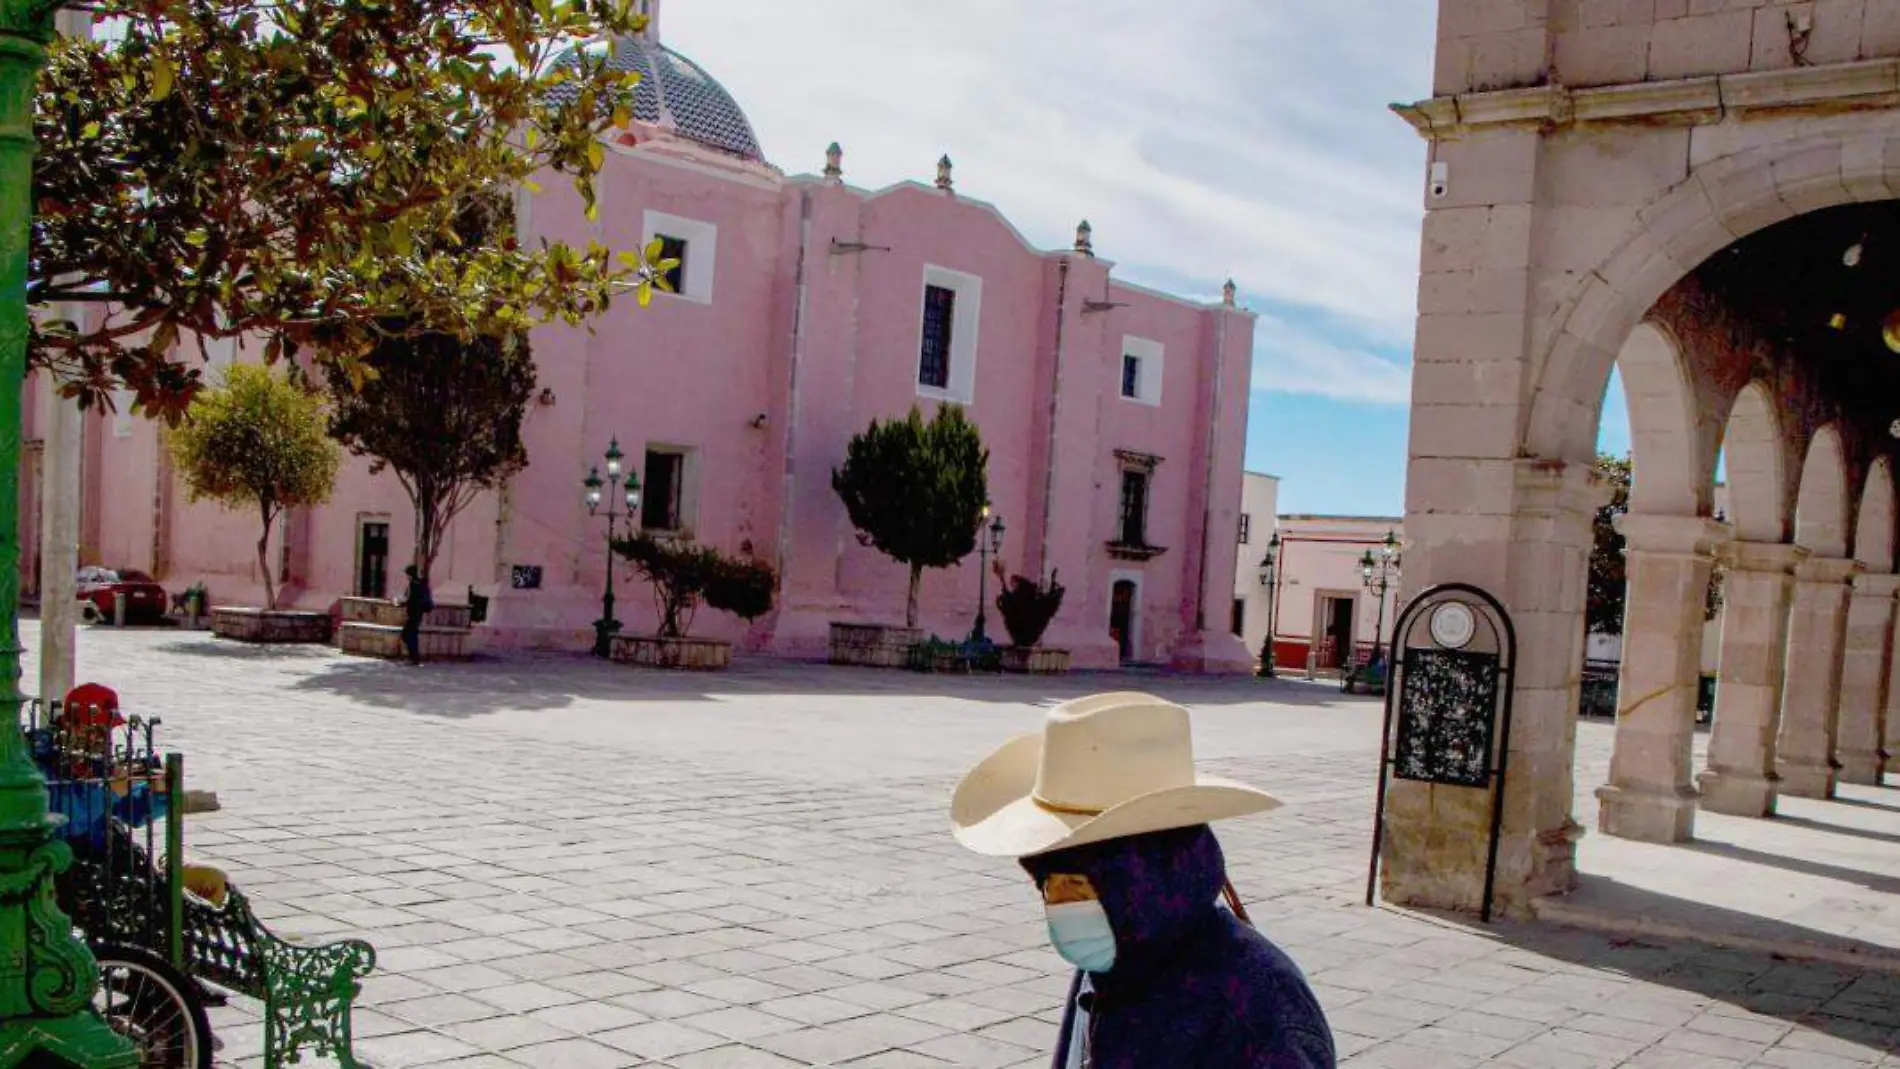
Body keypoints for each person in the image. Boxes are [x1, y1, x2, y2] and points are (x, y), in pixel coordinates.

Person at [951, 692, 1335, 1068]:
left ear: (1148, 875)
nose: (1059, 908)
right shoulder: (1117, 954)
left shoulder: (1259, 1011)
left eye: (1079, 886)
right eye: (1049, 886)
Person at [399, 565, 433, 666]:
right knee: (410, 634)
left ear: (410, 575)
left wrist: (400, 603)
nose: (406, 577)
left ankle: (414, 658)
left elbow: (410, 600)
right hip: (418, 613)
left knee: (408, 635)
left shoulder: (413, 585)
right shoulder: (420, 584)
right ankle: (414, 658)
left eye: (407, 575)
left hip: (413, 614)